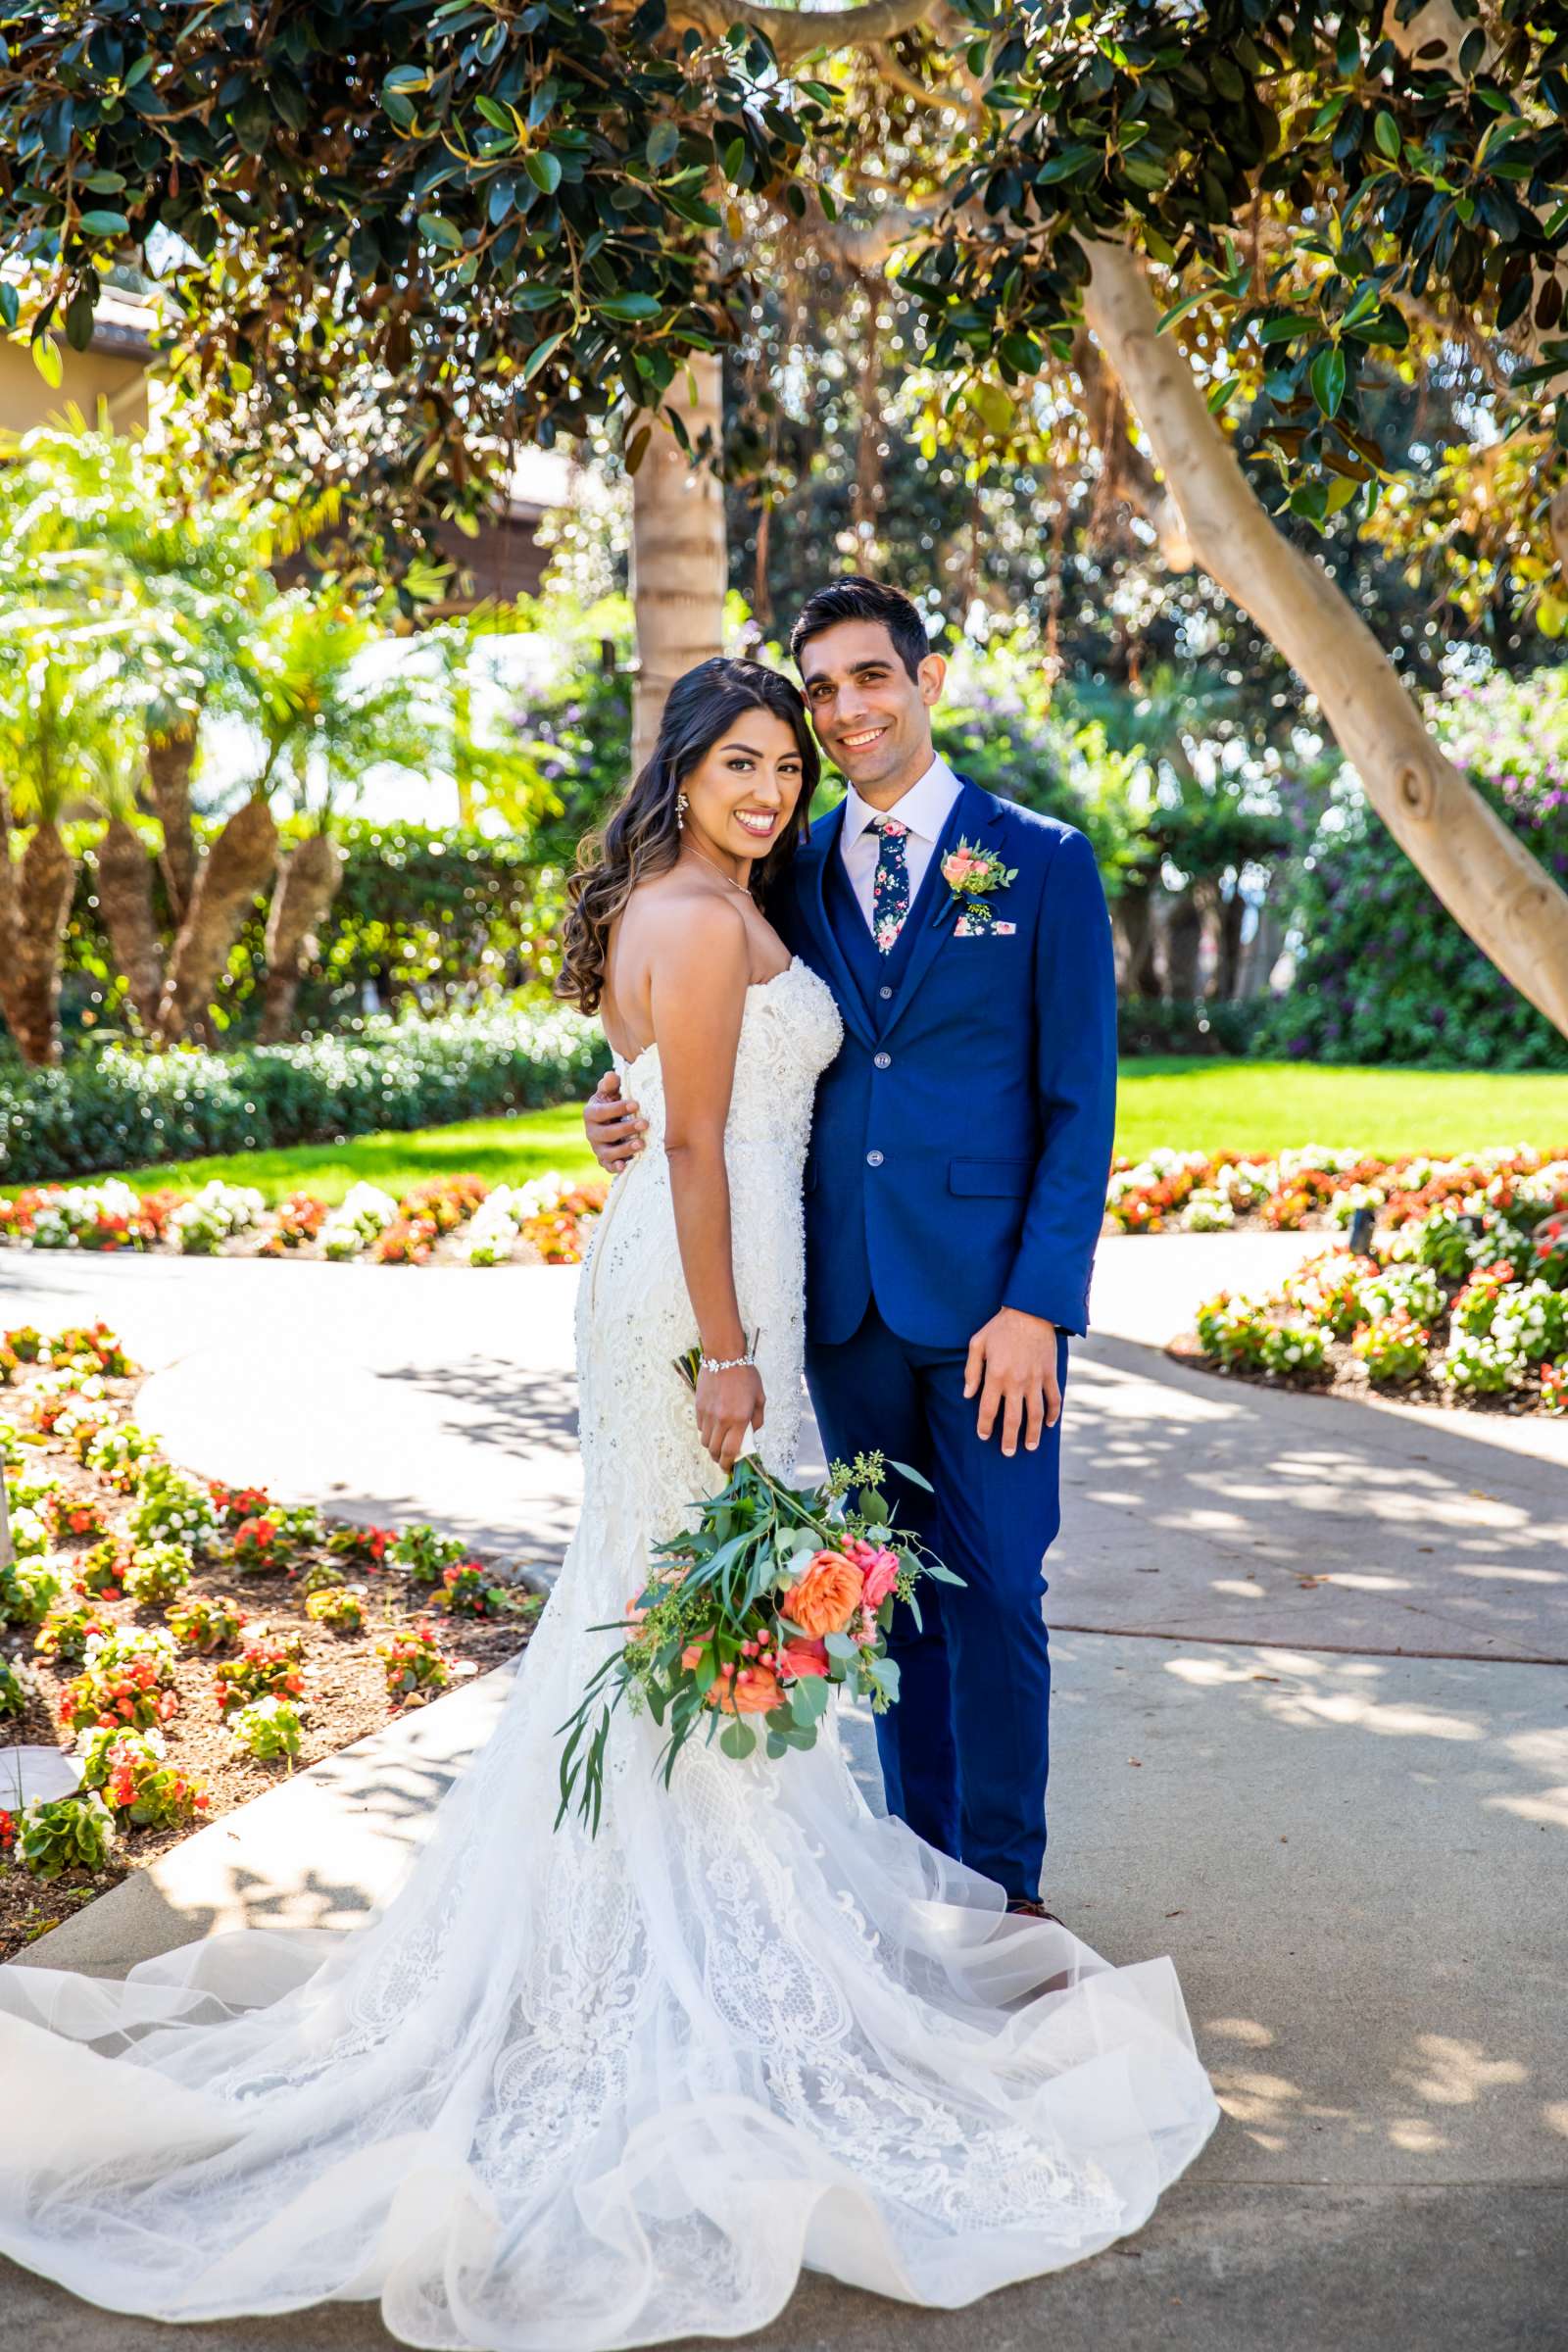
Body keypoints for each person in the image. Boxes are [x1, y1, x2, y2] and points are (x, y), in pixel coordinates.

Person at [0, 657, 1215, 2350]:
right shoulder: (708, 914)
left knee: (660, 1615)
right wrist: (727, 1352)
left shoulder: (724, 892)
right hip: (706, 1304)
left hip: (731, 1285)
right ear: (684, 771)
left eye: (787, 763)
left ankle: (685, 1932)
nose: (775, 787)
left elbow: (674, 1103)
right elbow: (703, 1147)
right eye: (744, 760)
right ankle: (651, 1965)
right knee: (670, 1609)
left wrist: (639, 1128)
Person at [586, 578, 1114, 1917]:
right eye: (821, 689)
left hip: (993, 1307)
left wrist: (1039, 1305)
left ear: (926, 682)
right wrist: (626, 1099)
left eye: (868, 678)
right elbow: (716, 1035)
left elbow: (1079, 1103)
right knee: (883, 1595)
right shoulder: (791, 867)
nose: (845, 710)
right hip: (837, 1300)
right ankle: (926, 1878)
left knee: (996, 1588)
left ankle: (1008, 1888)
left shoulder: (1039, 860)